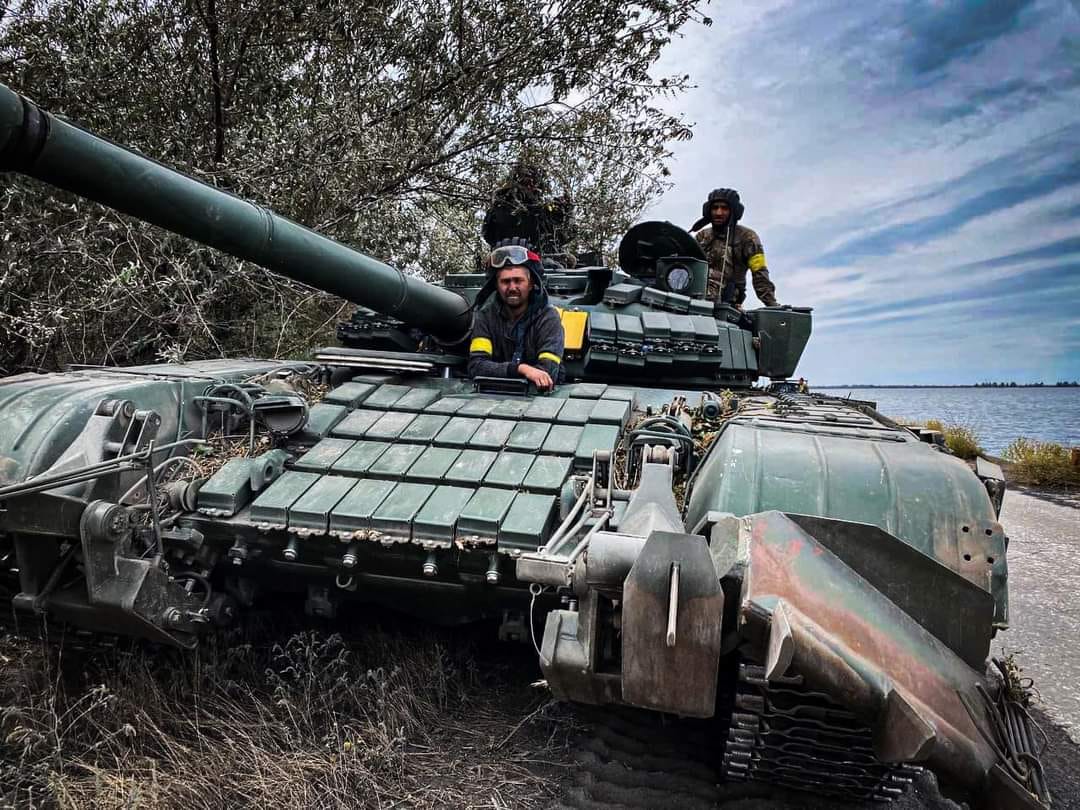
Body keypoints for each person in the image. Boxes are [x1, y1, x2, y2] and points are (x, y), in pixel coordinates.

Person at [468, 240, 564, 391]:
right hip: (489, 395)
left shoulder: (548, 317)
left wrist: (500, 371)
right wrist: (521, 369)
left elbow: (547, 372)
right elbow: (477, 366)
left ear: (531, 283)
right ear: (496, 285)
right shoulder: (485, 316)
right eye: (505, 281)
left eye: (518, 280)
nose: (512, 287)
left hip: (537, 399)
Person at [690, 188, 778, 307]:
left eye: (724, 208)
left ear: (734, 211)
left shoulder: (747, 237)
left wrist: (771, 304)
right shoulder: (702, 236)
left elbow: (759, 273)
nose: (718, 213)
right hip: (694, 299)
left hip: (727, 304)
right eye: (715, 208)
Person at [481, 163, 576, 257]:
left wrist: (564, 213)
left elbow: (563, 236)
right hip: (507, 261)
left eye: (534, 183)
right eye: (526, 182)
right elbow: (488, 234)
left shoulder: (542, 211)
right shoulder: (501, 208)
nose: (531, 186)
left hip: (540, 264)